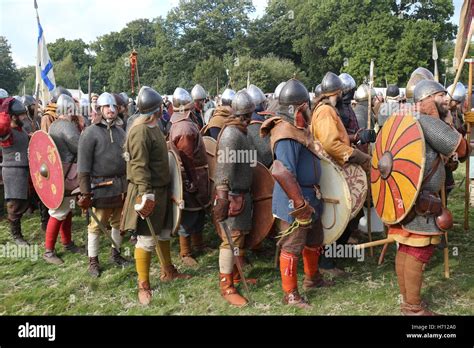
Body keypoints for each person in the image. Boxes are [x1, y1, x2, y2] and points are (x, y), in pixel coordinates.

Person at [390, 80, 470, 315]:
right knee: (419, 249)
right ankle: (413, 308)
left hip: (402, 196)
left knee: (405, 247)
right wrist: (448, 125)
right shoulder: (427, 122)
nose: (446, 100)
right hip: (421, 199)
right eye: (441, 96)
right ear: (429, 99)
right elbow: (462, 149)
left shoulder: (402, 118)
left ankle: (407, 301)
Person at [260, 78, 333, 309]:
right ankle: (290, 294)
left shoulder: (298, 130)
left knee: (313, 241)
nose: (309, 109)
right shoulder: (284, 132)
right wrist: (300, 205)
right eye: (305, 105)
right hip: (295, 200)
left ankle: (313, 279)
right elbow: (282, 172)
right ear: (297, 108)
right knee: (292, 246)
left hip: (310, 196)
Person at [121, 86, 191, 306]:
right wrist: (145, 195)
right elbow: (139, 166)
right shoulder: (139, 131)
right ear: (155, 110)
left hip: (161, 190)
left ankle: (167, 270)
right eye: (160, 107)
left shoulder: (153, 126)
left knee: (163, 234)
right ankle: (143, 285)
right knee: (146, 240)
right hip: (147, 191)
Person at [311, 72, 372, 277]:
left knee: (347, 215)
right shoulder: (326, 111)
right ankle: (326, 263)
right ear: (336, 93)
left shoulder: (326, 109)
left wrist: (355, 137)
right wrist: (356, 155)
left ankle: (330, 259)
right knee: (343, 214)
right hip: (333, 169)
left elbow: (336, 137)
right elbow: (330, 143)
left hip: (334, 168)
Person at [77, 92, 130, 277]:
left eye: (114, 106)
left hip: (120, 185)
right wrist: (85, 193)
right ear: (99, 109)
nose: (111, 110)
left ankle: (116, 254)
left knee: (118, 223)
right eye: (107, 106)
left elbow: (127, 158)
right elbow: (83, 167)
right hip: (100, 187)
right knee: (96, 226)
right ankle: (93, 261)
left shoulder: (120, 131)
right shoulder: (89, 133)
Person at [212, 90, 256, 307]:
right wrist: (222, 199)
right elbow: (223, 170)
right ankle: (226, 285)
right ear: (246, 113)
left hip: (242, 194)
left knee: (239, 239)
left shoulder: (242, 132)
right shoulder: (231, 134)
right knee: (230, 241)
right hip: (232, 196)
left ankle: (237, 275)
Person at [169, 87, 210, 266]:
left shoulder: (183, 122)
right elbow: (187, 159)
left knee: (199, 211)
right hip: (191, 176)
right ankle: (186, 252)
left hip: (197, 174)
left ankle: (198, 244)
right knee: (188, 214)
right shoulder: (184, 128)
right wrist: (191, 181)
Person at [43, 94, 85, 264]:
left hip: (61, 172)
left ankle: (67, 243)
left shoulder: (54, 125)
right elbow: (79, 146)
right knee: (58, 212)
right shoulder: (66, 126)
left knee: (66, 210)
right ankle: (48, 251)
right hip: (66, 174)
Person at [0, 97, 31, 245]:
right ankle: (16, 235)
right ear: (12, 117)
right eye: (21, 115)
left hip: (25, 169)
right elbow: (2, 127)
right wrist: (5, 110)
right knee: (14, 205)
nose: (24, 117)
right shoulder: (7, 134)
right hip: (13, 172)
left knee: (27, 201)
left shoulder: (21, 130)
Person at [246, 84, 273, 168]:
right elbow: (267, 155)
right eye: (263, 103)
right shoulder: (256, 122)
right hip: (258, 169)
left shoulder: (245, 119)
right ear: (260, 104)